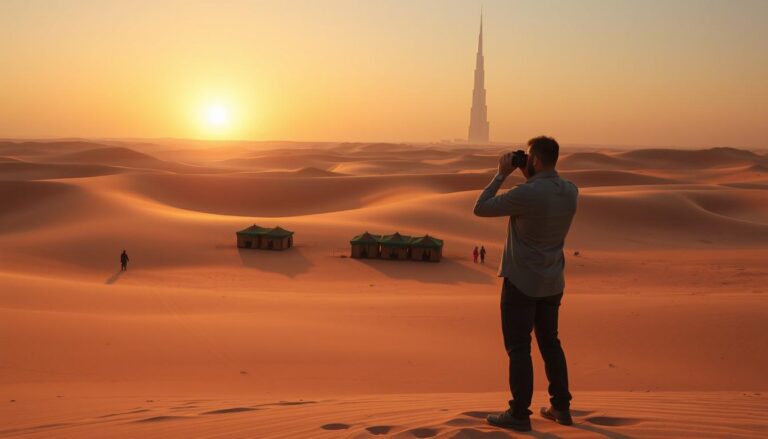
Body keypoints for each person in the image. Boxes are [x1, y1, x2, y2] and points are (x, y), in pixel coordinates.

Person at [473, 136, 578, 432]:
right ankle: (561, 406)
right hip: (552, 281)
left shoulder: (526, 193)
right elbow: (542, 193)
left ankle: (519, 413)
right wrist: (528, 175)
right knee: (550, 343)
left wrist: (501, 173)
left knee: (519, 348)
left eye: (529, 157)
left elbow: (480, 208)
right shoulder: (571, 191)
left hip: (521, 282)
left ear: (535, 160)